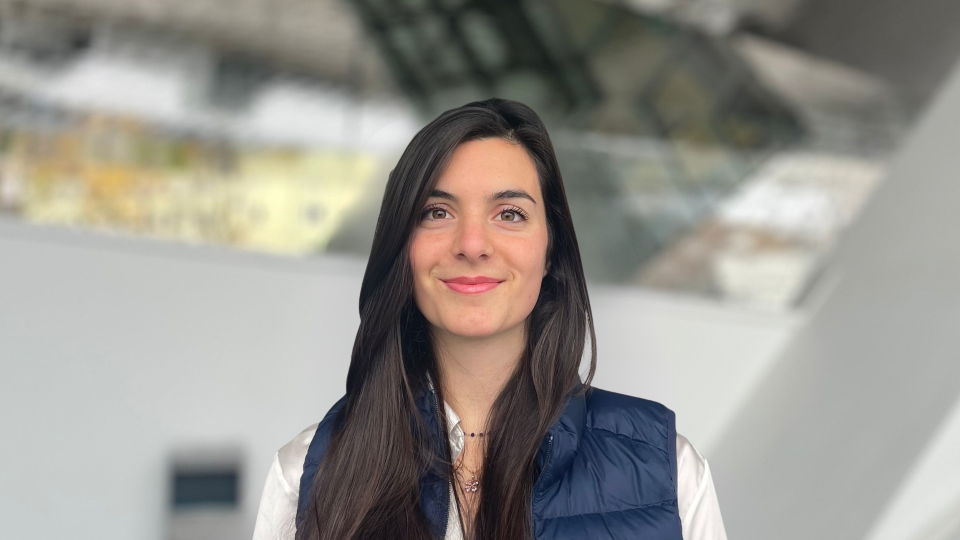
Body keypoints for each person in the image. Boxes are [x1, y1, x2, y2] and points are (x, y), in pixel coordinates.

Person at [252, 98, 728, 540]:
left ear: (550, 251)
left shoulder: (671, 473)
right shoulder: (305, 474)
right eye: (437, 212)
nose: (472, 244)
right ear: (402, 247)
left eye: (510, 214)